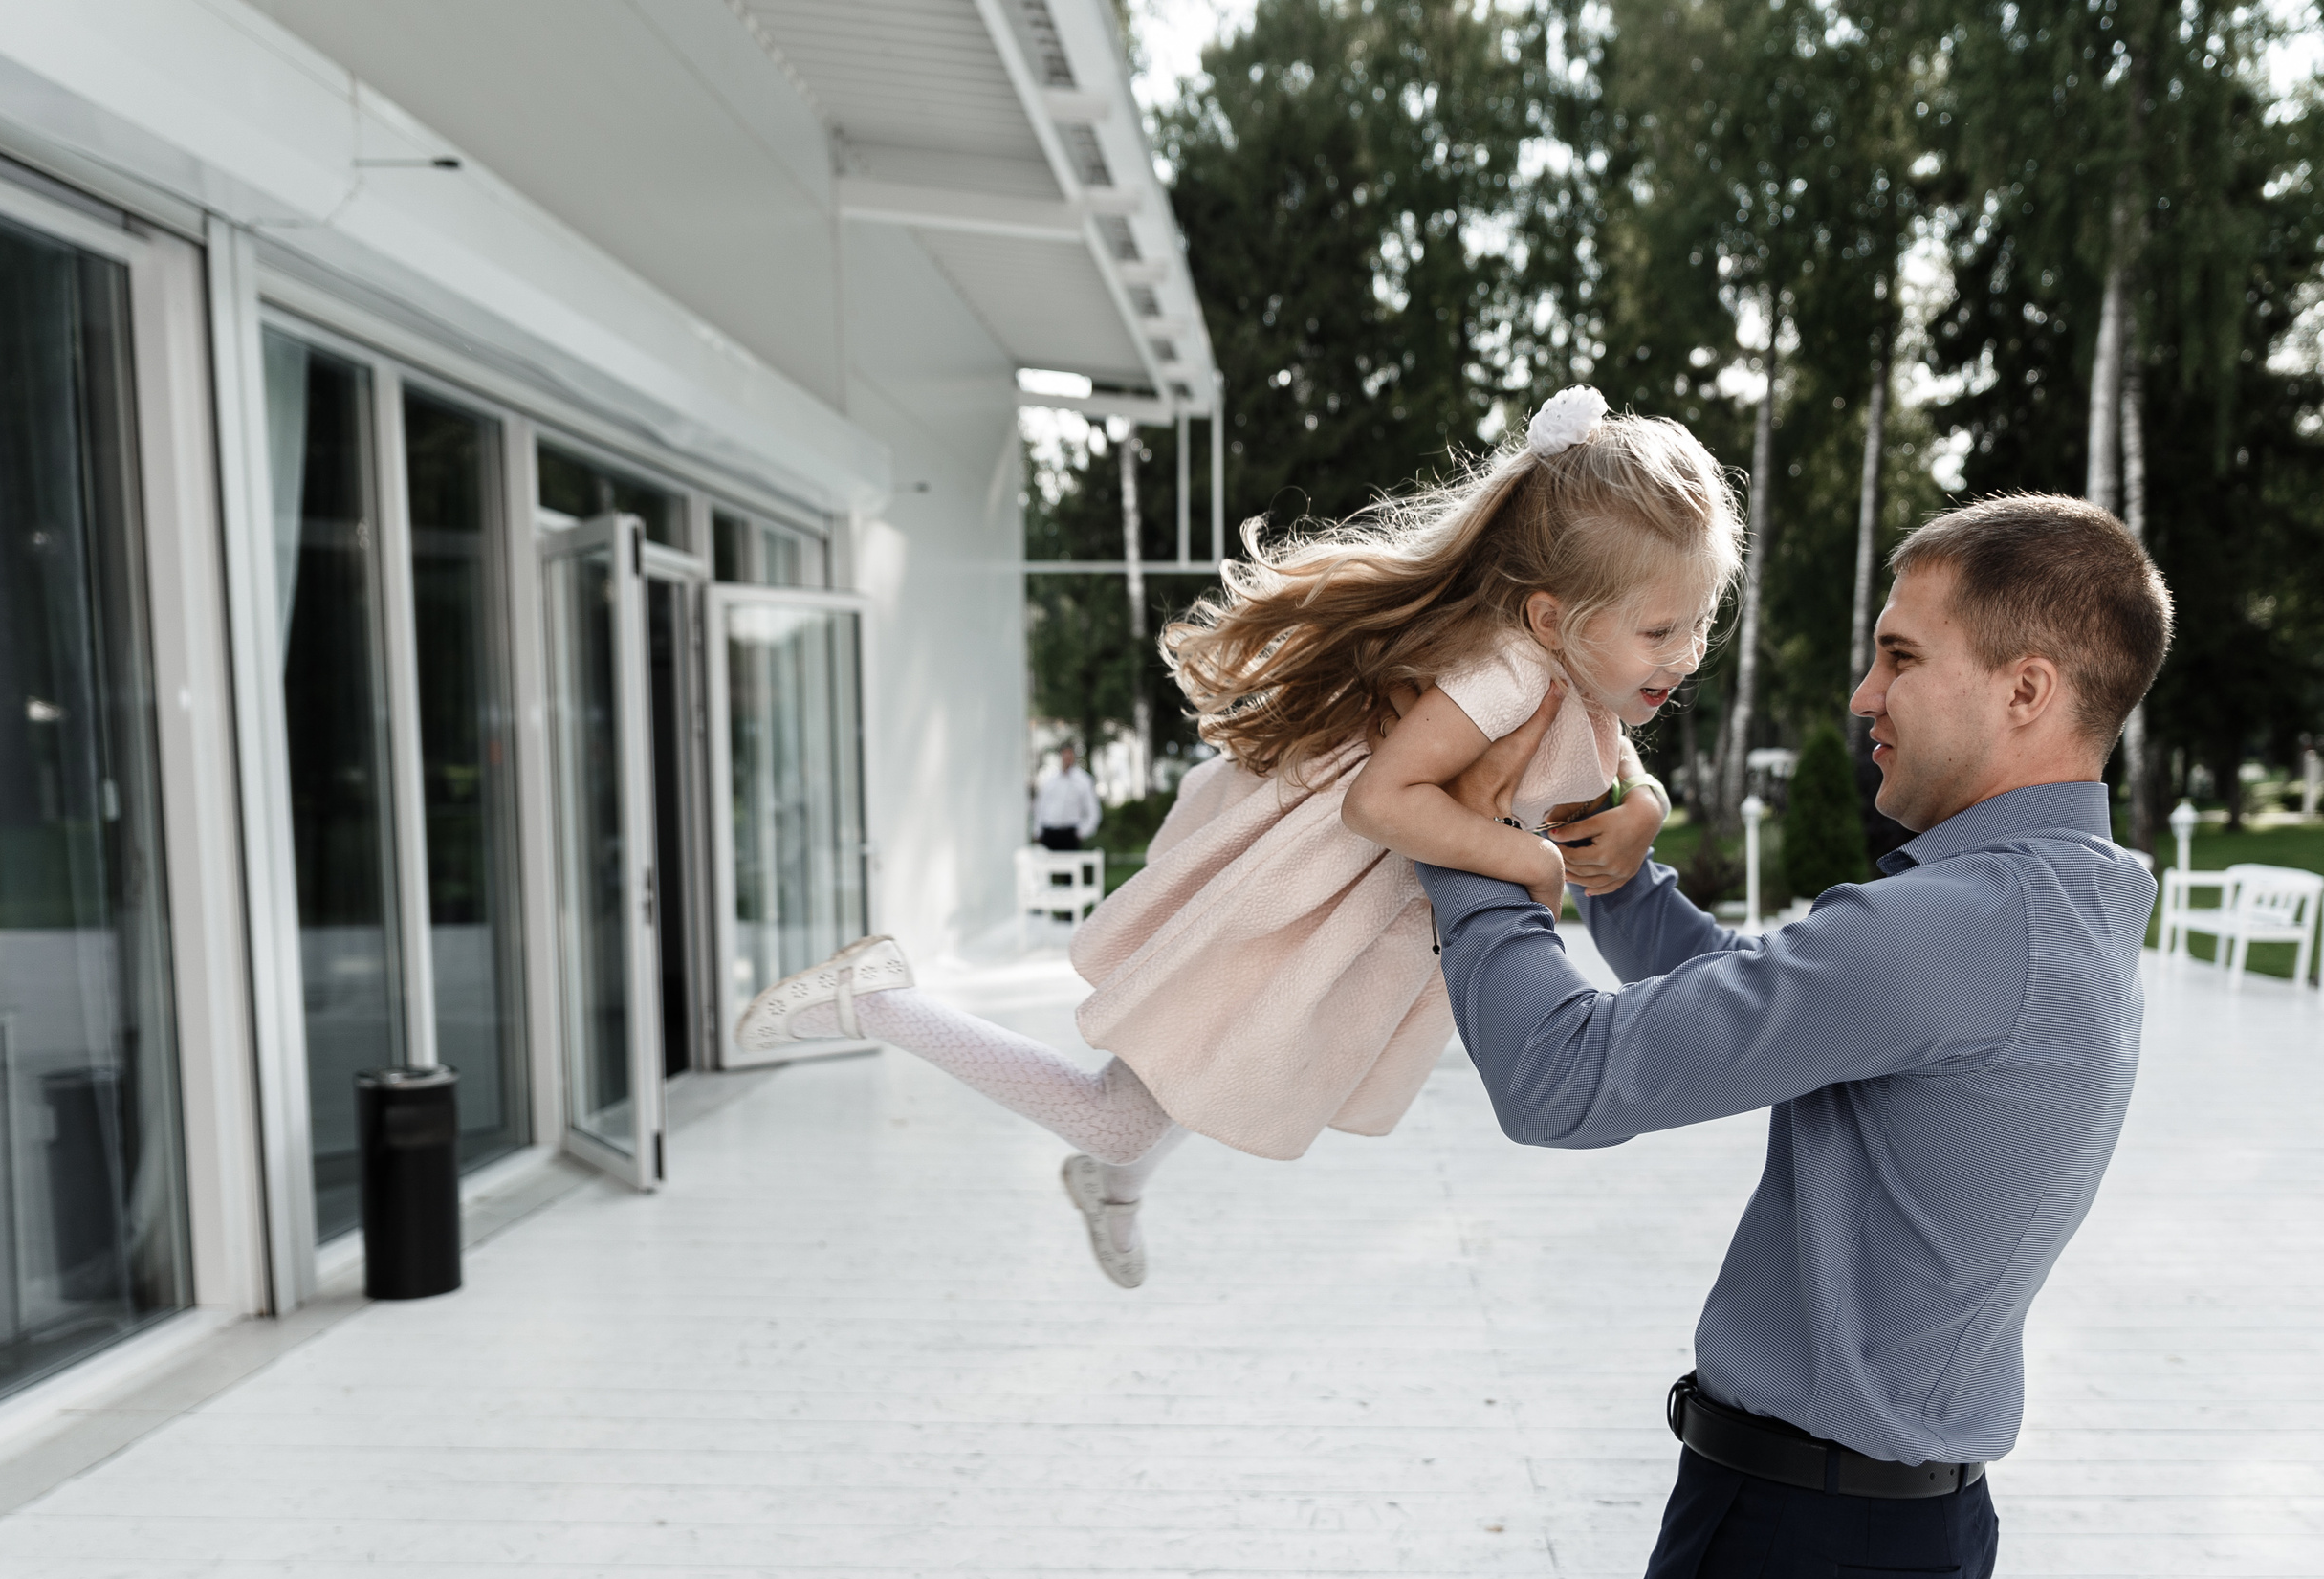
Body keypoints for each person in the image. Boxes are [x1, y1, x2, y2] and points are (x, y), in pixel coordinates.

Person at [1406, 493, 2170, 1579]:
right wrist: (1622, 886)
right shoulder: (2070, 894)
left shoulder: (1959, 923)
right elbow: (1782, 1001)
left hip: (1805, 1544)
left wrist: (1463, 837)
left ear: (2026, 690)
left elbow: (1558, 1077)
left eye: (1900, 658)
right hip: (1868, 1536)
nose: (1864, 695)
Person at [730, 388, 1735, 1287]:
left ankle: (1113, 1188)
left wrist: (1642, 804)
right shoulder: (1508, 674)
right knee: (1129, 1105)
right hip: (1302, 901)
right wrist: (1530, 861)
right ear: (1552, 616)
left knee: (1233, 1069)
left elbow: (1604, 754)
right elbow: (1381, 801)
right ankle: (880, 1002)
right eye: (1661, 631)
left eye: (1700, 623)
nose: (1687, 654)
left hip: (1341, 925)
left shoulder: (1569, 668)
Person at [1033, 743, 1101, 851]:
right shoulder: (1050, 780)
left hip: (1070, 835)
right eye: (1064, 754)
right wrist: (1037, 830)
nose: (1067, 758)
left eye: (1069, 754)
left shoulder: (1083, 780)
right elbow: (1041, 806)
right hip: (1049, 833)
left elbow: (1093, 810)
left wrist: (1083, 832)